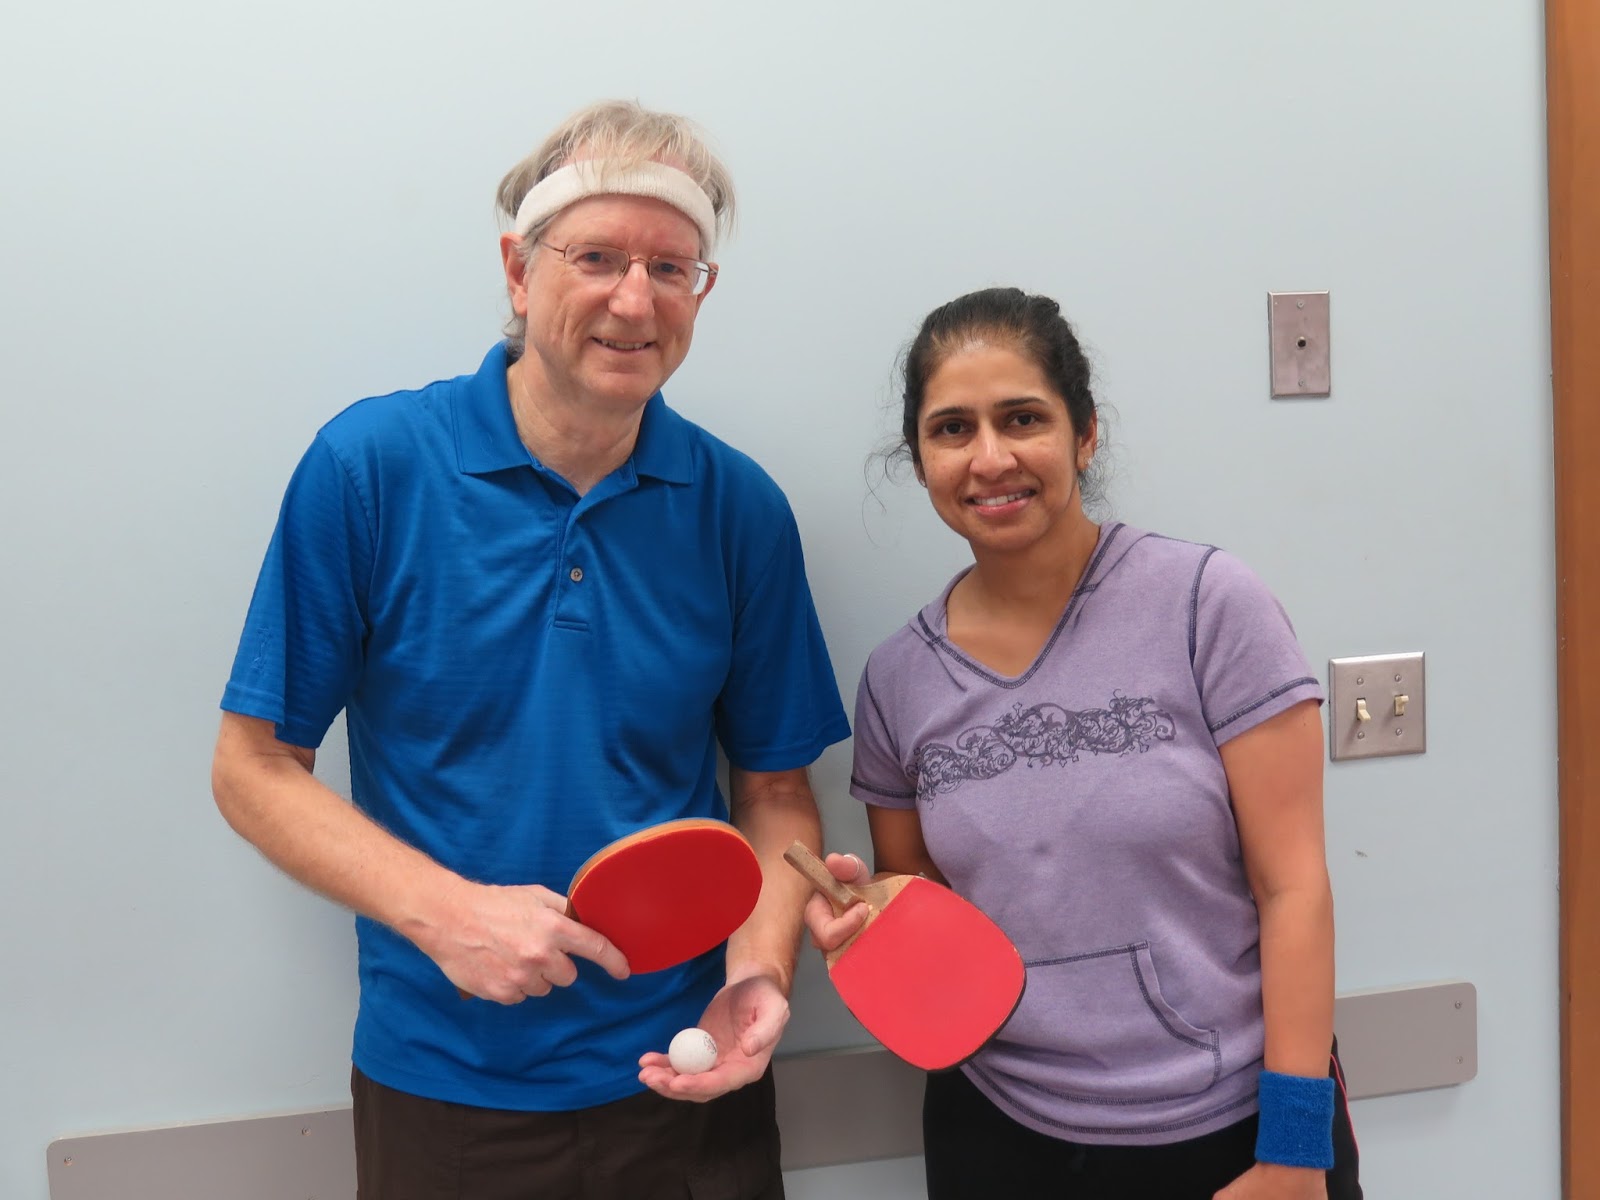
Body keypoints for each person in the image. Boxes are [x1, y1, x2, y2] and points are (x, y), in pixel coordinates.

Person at [211, 99, 849, 1200]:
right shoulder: (371, 469)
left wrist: (756, 971)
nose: (633, 299)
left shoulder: (739, 508)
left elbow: (777, 793)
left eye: (671, 267)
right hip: (447, 1089)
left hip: (689, 1093)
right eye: (595, 257)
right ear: (518, 269)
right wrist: (447, 913)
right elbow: (253, 768)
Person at [803, 287, 1362, 1199]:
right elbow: (924, 917)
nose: (991, 458)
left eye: (1022, 418)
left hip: (1234, 1133)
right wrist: (862, 927)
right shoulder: (897, 680)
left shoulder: (1208, 605)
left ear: (1084, 433)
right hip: (999, 1136)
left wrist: (1296, 1149)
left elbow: (1293, 887)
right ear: (920, 458)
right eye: (952, 429)